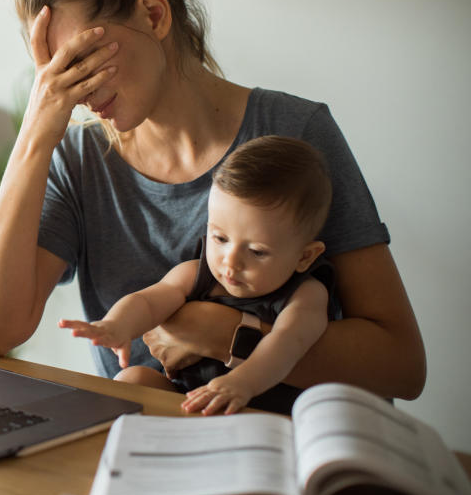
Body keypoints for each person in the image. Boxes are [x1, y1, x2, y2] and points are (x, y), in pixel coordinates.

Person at [0, 0, 425, 405]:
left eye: (82, 61)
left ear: (154, 15)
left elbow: (400, 367)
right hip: (151, 455)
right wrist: (34, 136)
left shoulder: (296, 133)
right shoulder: (78, 160)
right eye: (52, 72)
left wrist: (222, 332)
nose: (74, 92)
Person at [59, 135, 338, 415]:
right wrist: (116, 326)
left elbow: (287, 344)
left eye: (257, 251)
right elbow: (148, 301)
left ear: (305, 256)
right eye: (219, 238)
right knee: (132, 380)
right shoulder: (196, 274)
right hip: (190, 402)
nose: (231, 262)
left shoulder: (306, 294)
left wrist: (242, 383)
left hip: (258, 413)